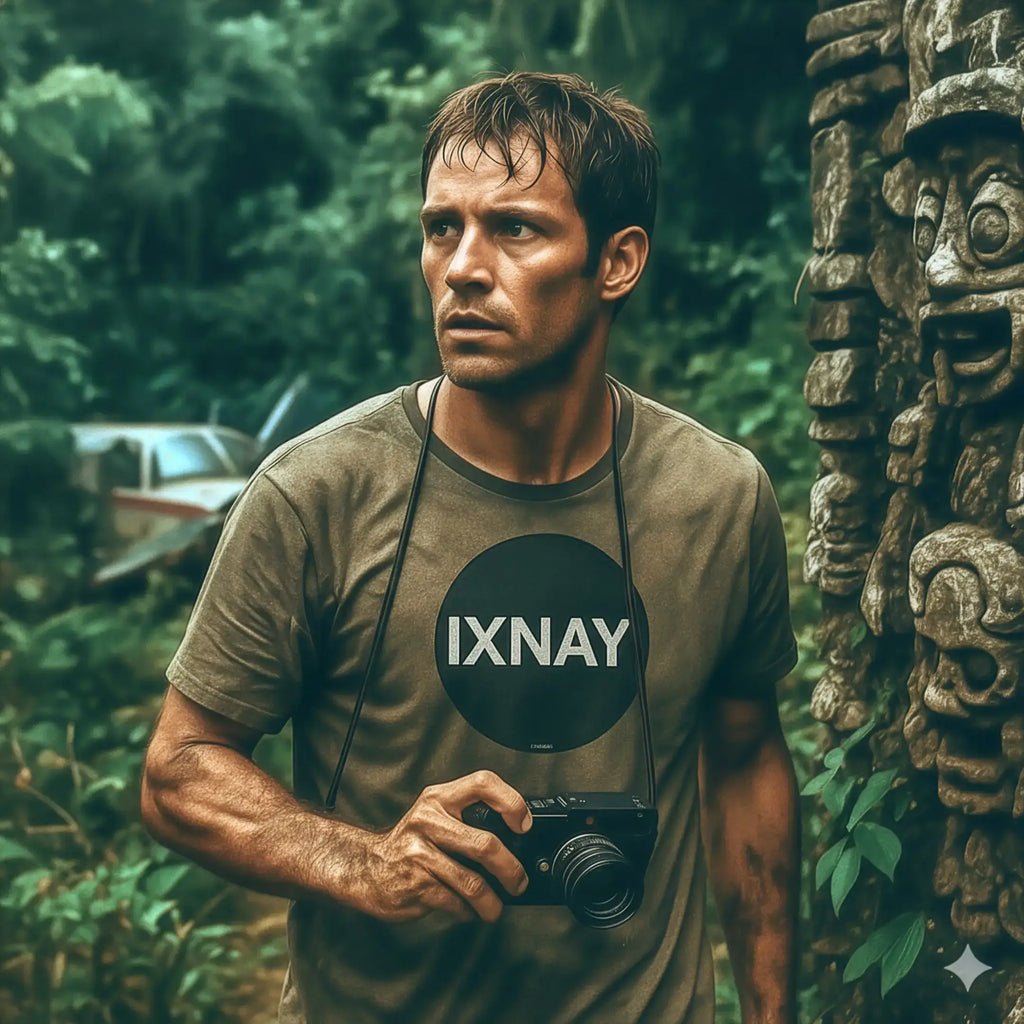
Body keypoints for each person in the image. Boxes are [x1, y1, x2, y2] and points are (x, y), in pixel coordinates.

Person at [141, 71, 801, 1024]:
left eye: (516, 229)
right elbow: (179, 768)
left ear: (616, 262)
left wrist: (771, 1014)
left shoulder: (717, 500)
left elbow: (744, 758)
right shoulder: (317, 492)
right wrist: (361, 861)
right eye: (441, 227)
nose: (462, 266)